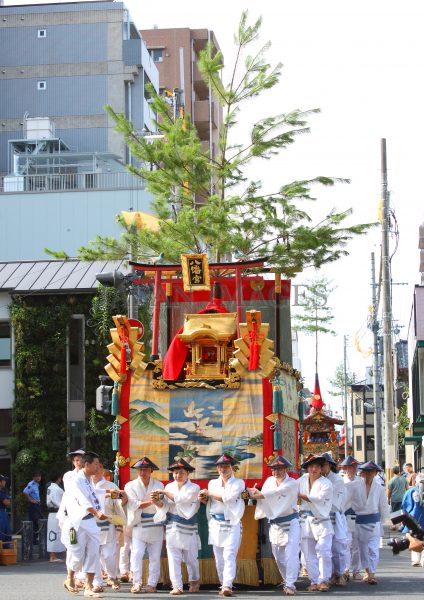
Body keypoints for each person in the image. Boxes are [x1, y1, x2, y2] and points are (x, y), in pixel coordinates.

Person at [248, 455, 300, 596]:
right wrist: (255, 495)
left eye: (279, 468)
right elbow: (264, 498)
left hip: (290, 522)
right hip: (275, 524)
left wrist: (258, 494)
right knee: (278, 556)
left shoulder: (293, 483)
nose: (276, 471)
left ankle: (290, 583)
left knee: (291, 555)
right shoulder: (269, 481)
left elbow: (276, 492)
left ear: (285, 469)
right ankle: (286, 579)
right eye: (274, 469)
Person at [58, 451, 107, 598]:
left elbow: (94, 496)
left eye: (99, 464)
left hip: (90, 521)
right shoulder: (74, 479)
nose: (98, 467)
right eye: (96, 464)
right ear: (87, 465)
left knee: (93, 553)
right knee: (77, 556)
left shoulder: (89, 479)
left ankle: (88, 587)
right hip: (76, 523)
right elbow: (82, 500)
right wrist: (96, 512)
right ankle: (70, 578)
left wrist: (108, 494)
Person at [152, 457, 201, 595]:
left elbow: (182, 499)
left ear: (187, 474)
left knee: (191, 558)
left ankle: (194, 580)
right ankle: (177, 586)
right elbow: (166, 505)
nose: (178, 476)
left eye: (181, 473)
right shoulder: (169, 487)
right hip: (172, 525)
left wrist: (163, 492)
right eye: (175, 473)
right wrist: (156, 502)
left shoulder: (194, 487)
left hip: (188, 526)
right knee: (173, 557)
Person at [199, 453, 245, 597]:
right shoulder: (212, 483)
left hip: (232, 523)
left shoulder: (239, 483)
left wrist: (209, 494)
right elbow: (210, 502)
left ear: (232, 467)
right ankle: (223, 583)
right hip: (216, 523)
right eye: (220, 467)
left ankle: (227, 585)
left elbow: (229, 499)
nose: (223, 469)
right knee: (218, 557)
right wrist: (204, 497)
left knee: (229, 554)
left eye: (226, 466)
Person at [124, 456, 165, 594]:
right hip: (139, 524)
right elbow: (135, 504)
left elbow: (161, 503)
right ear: (137, 471)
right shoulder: (130, 486)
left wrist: (153, 502)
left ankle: (152, 584)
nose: (143, 472)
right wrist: (152, 501)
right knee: (136, 554)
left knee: (154, 556)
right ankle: (136, 582)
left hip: (155, 524)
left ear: (151, 471)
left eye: (146, 469)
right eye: (141, 470)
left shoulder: (159, 485)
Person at [348, 460, 390, 585]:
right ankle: (367, 571)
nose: (370, 474)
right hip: (359, 522)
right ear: (363, 473)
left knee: (373, 549)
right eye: (367, 472)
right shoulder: (355, 485)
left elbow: (383, 505)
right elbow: (346, 499)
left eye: (372, 472)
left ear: (376, 473)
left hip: (374, 521)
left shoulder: (380, 488)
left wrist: (383, 521)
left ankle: (372, 574)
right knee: (362, 550)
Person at [298, 454, 333, 592]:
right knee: (308, 553)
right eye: (311, 466)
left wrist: (299, 495)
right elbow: (288, 489)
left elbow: (317, 499)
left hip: (322, 520)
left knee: (324, 550)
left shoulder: (326, 483)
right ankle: (313, 580)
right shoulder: (301, 480)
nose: (314, 469)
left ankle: (323, 580)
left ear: (321, 468)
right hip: (306, 521)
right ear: (307, 468)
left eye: (317, 466)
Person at [92, 459, 128, 593]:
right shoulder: (86, 485)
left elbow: (118, 506)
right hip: (91, 525)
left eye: (99, 467)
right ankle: (97, 582)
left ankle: (113, 576)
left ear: (103, 470)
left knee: (109, 555)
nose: (96, 471)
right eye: (94, 467)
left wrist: (119, 525)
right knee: (93, 555)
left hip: (108, 525)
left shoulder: (111, 485)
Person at [321, 453, 348, 587]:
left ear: (330, 465)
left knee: (338, 548)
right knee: (323, 548)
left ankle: (339, 573)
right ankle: (328, 574)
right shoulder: (315, 479)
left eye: (324, 465)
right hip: (320, 517)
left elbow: (335, 503)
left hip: (334, 516)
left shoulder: (337, 480)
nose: (321, 467)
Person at [340, 455, 362, 580]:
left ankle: (356, 570)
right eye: (349, 467)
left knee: (357, 544)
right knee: (346, 543)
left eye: (354, 467)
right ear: (345, 468)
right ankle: (345, 569)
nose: (352, 470)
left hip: (358, 514)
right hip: (346, 514)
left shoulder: (361, 481)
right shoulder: (341, 481)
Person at [401, 471, 424, 567]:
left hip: (413, 519)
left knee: (414, 538)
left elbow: (404, 506)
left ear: (416, 481)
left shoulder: (410, 491)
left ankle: (416, 560)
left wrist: (402, 520)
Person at [46, 473, 65, 562]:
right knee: (55, 533)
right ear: (59, 478)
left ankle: (53, 556)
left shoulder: (50, 487)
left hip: (52, 514)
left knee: (53, 533)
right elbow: (59, 503)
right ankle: (52, 556)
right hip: (57, 513)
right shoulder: (56, 489)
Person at [23, 470, 42, 545]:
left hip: (37, 505)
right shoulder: (31, 484)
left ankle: (35, 539)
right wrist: (31, 500)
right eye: (36, 476)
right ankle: (33, 540)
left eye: (39, 476)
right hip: (33, 506)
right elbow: (25, 492)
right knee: (35, 522)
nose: (38, 477)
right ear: (33, 477)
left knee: (37, 522)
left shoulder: (37, 484)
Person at [0, 474, 12, 546]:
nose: (5, 482)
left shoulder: (3, 491)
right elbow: (7, 503)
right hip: (1, 513)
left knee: (6, 534)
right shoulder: (1, 492)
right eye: (3, 480)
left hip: (3, 512)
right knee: (3, 534)